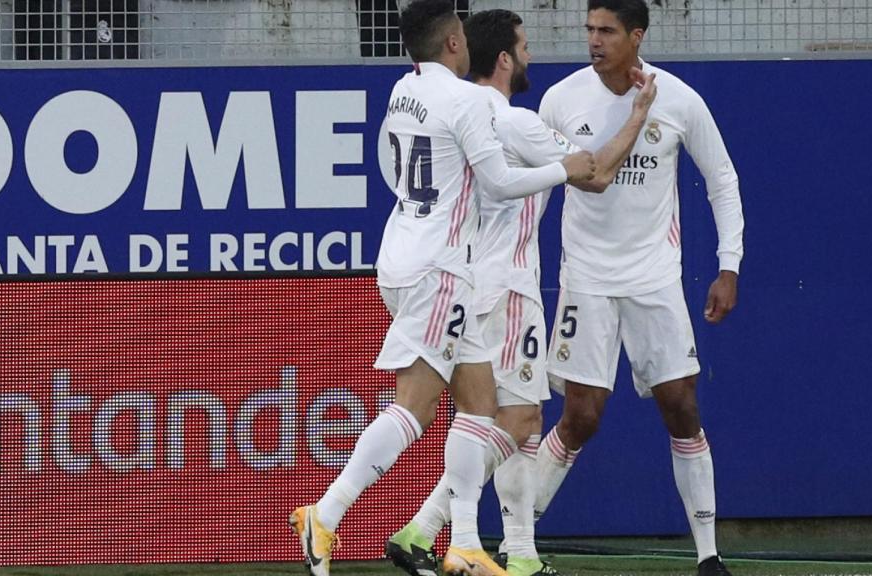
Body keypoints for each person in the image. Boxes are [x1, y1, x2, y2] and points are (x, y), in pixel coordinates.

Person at [287, 2, 597, 575]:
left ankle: (465, 545)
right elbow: (501, 184)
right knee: (415, 407)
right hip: (441, 268)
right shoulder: (465, 101)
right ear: (456, 42)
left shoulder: (402, 91)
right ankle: (326, 515)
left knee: (481, 408)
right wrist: (565, 167)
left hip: (406, 254)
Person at [383, 9, 658, 576]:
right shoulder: (509, 120)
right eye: (525, 47)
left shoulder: (451, 106)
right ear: (504, 58)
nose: (531, 56)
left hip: (462, 280)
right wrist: (638, 113)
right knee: (517, 419)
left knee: (495, 417)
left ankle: (515, 550)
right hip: (505, 288)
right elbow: (598, 172)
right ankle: (426, 531)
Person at [534, 1, 745, 576]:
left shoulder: (676, 98)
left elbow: (720, 178)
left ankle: (708, 555)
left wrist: (729, 264)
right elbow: (541, 189)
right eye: (589, 30)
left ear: (636, 36)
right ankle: (517, 544)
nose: (594, 41)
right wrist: (523, 263)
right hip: (586, 279)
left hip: (654, 279)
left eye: (606, 31)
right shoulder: (562, 99)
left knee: (681, 407)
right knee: (580, 417)